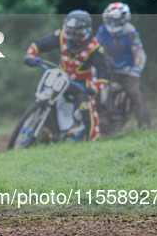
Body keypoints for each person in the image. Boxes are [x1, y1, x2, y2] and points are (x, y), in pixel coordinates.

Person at [24, 10, 110, 141]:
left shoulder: (94, 47)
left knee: (86, 104)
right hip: (61, 78)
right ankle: (46, 131)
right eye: (69, 30)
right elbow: (39, 44)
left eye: (76, 32)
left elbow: (104, 74)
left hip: (82, 83)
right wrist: (31, 55)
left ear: (85, 31)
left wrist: (95, 88)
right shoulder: (61, 36)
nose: (71, 35)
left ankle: (93, 137)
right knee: (46, 95)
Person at [96, 2, 151, 129]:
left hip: (129, 69)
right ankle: (101, 120)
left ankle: (144, 124)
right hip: (110, 69)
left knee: (134, 91)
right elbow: (95, 47)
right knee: (98, 87)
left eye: (116, 20)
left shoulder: (131, 32)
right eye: (110, 20)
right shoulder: (103, 30)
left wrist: (136, 69)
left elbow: (138, 51)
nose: (113, 23)